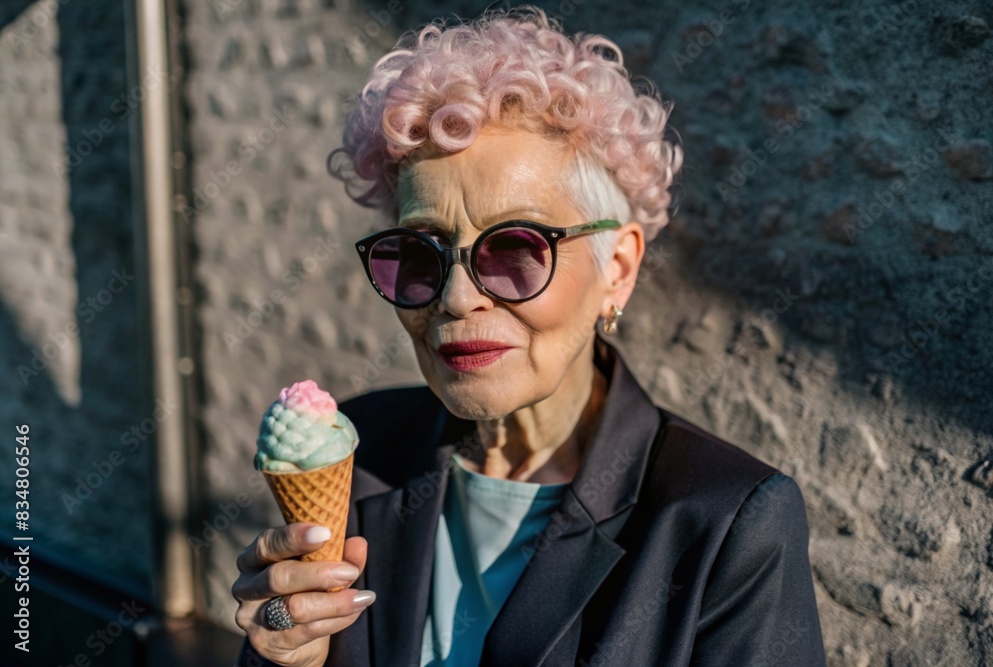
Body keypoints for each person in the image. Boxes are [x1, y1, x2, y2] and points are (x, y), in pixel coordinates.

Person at [232, 7, 826, 666]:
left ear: (617, 269)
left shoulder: (723, 523)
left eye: (515, 248)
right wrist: (283, 649)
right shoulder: (362, 453)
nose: (457, 298)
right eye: (422, 253)